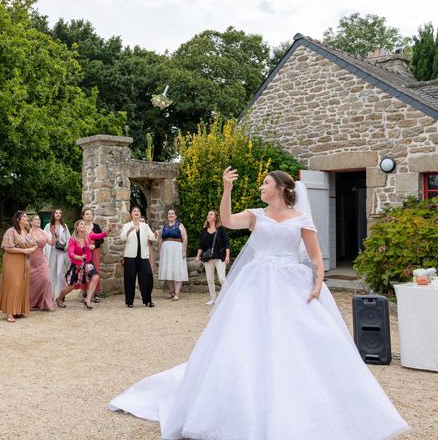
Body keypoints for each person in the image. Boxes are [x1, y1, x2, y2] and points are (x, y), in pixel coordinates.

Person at [109, 168, 409, 439]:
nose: (261, 187)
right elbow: (226, 221)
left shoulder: (301, 218)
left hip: (292, 283)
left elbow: (316, 257)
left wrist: (318, 284)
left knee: (299, 342)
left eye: (266, 183)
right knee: (246, 339)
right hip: (257, 282)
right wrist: (226, 189)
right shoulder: (256, 215)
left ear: (280, 188)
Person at [55, 219, 112, 310]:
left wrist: (108, 230)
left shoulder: (89, 236)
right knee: (72, 286)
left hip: (86, 263)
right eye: (81, 224)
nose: (83, 225)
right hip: (76, 265)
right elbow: (70, 253)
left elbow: (101, 235)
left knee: (95, 277)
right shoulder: (73, 240)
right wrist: (77, 257)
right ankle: (59, 298)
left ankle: (87, 300)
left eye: (84, 224)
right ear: (77, 227)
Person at [0, 211, 36, 323]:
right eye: (24, 216)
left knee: (23, 284)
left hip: (25, 260)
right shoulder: (11, 231)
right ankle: (9, 312)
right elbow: (7, 248)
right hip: (12, 260)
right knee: (14, 284)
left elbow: (35, 245)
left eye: (26, 216)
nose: (26, 218)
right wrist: (24, 250)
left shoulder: (28, 231)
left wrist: (30, 250)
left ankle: (18, 310)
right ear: (18, 219)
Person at [121, 207, 157, 308]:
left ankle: (148, 300)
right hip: (130, 256)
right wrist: (129, 231)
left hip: (143, 256)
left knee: (148, 275)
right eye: (134, 211)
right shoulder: (127, 225)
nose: (136, 212)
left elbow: (152, 237)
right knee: (130, 278)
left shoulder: (145, 226)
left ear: (140, 214)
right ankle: (129, 301)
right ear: (131, 214)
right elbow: (122, 237)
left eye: (138, 211)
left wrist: (156, 234)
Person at [194, 210, 231, 306]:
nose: (208, 216)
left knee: (222, 278)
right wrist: (198, 256)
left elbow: (227, 243)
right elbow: (201, 245)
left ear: (215, 217)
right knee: (209, 279)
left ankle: (229, 296)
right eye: (208, 214)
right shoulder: (204, 230)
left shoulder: (221, 229)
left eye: (211, 214)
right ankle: (213, 298)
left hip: (219, 257)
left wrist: (227, 256)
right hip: (208, 258)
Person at [157, 209, 189, 301]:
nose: (170, 215)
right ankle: (171, 292)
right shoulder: (164, 226)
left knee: (177, 270)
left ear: (175, 216)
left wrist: (184, 250)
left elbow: (185, 238)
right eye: (169, 213)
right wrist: (160, 252)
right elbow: (160, 239)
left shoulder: (179, 225)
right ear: (167, 216)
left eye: (172, 213)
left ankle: (177, 293)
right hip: (166, 251)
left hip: (177, 250)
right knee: (169, 270)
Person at [28, 214, 54, 311]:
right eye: (35, 219)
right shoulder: (27, 232)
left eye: (39, 219)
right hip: (30, 259)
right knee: (32, 282)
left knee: (46, 279)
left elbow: (51, 243)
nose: (38, 221)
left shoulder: (43, 232)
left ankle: (47, 303)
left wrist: (53, 234)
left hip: (41, 258)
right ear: (31, 222)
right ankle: (32, 303)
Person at [43, 209, 70, 300]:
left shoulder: (64, 226)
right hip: (52, 250)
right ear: (53, 214)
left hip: (62, 251)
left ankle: (61, 295)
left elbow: (69, 238)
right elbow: (45, 238)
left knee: (60, 273)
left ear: (61, 215)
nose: (58, 214)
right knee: (51, 273)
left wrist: (67, 246)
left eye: (59, 213)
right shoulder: (48, 226)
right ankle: (51, 295)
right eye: (56, 213)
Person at [81, 208, 103, 303]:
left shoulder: (96, 227)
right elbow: (77, 238)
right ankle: (84, 292)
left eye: (90, 214)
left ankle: (96, 293)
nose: (89, 215)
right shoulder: (81, 226)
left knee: (96, 270)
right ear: (83, 216)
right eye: (87, 214)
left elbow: (101, 239)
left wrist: (95, 245)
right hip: (83, 252)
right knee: (84, 271)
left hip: (95, 251)